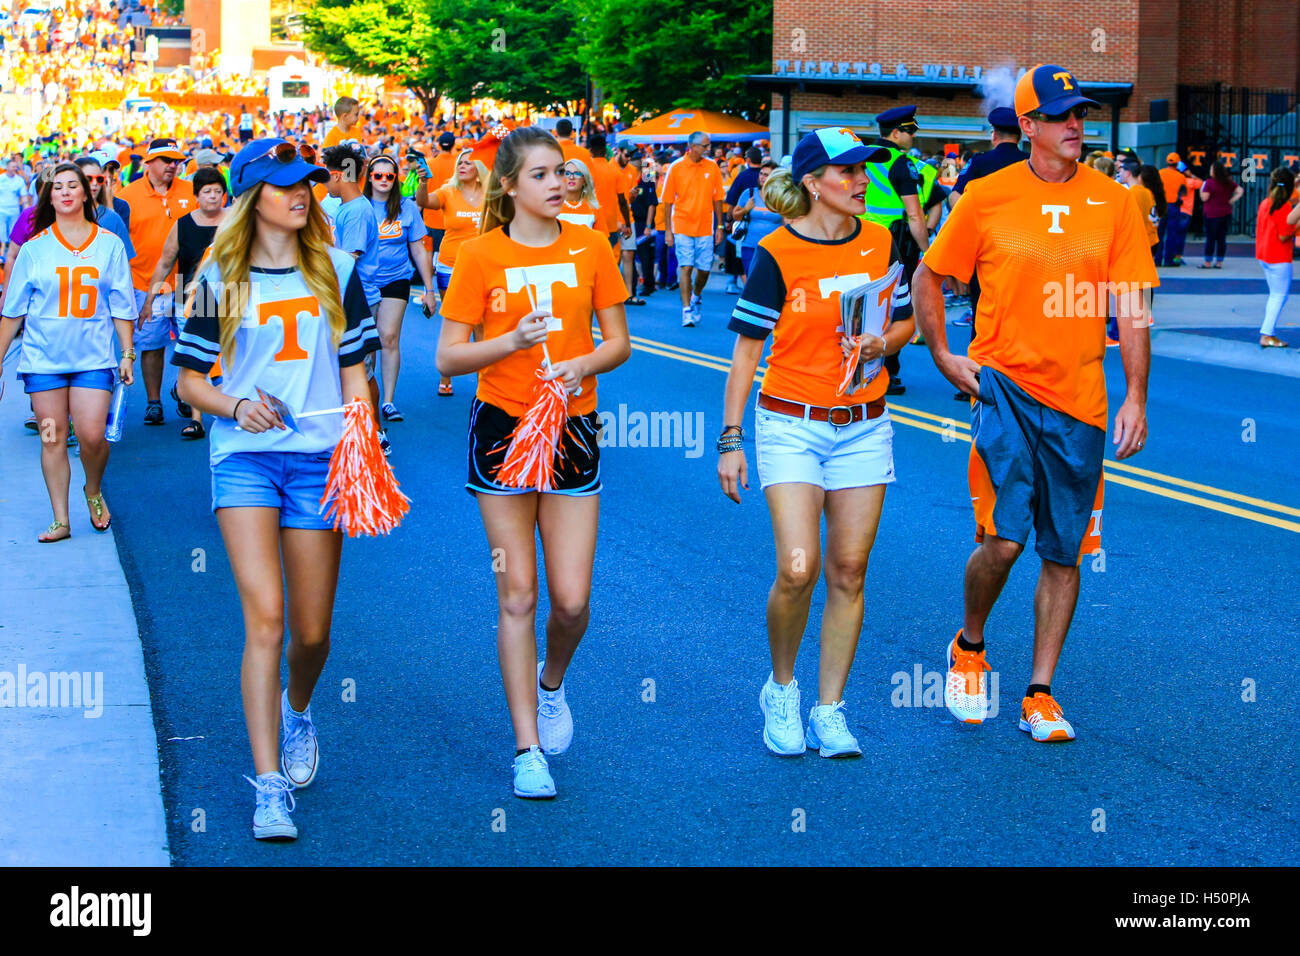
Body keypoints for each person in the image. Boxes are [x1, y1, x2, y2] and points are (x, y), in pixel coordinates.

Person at [912, 63, 1158, 742]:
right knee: (1004, 540)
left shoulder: (1114, 203)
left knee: (1064, 551)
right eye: (1058, 115)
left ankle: (1040, 693)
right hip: (1006, 390)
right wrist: (940, 353)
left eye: (1078, 112)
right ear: (1027, 127)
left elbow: (1133, 305)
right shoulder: (986, 197)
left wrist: (1135, 394)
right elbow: (930, 275)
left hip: (1082, 402)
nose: (1074, 123)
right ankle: (969, 646)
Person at [172, 138, 380, 841]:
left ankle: (299, 707)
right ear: (252, 194)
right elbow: (188, 382)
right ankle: (267, 787)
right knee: (265, 618)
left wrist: (363, 440)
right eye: (287, 184)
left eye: (308, 184)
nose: (304, 194)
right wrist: (236, 407)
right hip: (246, 460)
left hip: (321, 461)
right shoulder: (217, 280)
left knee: (312, 632)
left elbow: (356, 373)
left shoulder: (339, 270)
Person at [434, 126, 631, 799]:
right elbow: (449, 357)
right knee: (517, 593)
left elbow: (619, 342)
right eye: (543, 174)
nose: (558, 184)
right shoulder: (480, 255)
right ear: (511, 185)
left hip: (572, 427)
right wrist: (509, 341)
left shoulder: (592, 245)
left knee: (571, 601)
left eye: (563, 173)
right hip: (503, 428)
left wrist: (581, 364)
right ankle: (526, 749)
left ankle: (552, 684)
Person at [718, 127, 912, 758]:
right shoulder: (776, 252)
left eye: (866, 169)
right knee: (797, 569)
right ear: (812, 183)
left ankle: (830, 708)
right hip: (791, 423)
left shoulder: (880, 240)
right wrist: (730, 437)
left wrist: (884, 344)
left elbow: (903, 317)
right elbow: (748, 349)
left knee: (849, 571)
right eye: (849, 171)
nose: (863, 181)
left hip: (863, 423)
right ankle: (781, 687)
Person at [0, 162, 136, 541]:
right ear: (49, 196)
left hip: (93, 359)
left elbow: (121, 303)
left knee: (93, 436)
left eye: (71, 185)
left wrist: (127, 352)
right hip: (43, 363)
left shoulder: (108, 244)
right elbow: (12, 312)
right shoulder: (34, 250)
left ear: (85, 193)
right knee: (51, 436)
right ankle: (61, 519)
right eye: (56, 186)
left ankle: (93, 489)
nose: (64, 192)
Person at [140, 166, 229, 439]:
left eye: (217, 191)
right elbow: (166, 262)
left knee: (230, 356)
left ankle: (232, 409)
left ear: (225, 194)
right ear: (196, 196)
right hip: (191, 299)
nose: (213, 197)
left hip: (231, 294)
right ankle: (196, 418)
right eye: (207, 192)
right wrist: (149, 300)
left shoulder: (234, 223)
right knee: (194, 357)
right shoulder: (183, 224)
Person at [118, 137, 197, 425]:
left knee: (191, 343)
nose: (173, 165)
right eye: (166, 160)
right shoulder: (127, 196)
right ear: (149, 163)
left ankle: (183, 390)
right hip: (145, 282)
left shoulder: (191, 190)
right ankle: (154, 402)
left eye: (176, 160)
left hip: (188, 282)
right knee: (152, 345)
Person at [321, 143, 389, 452]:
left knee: (361, 368)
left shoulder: (358, 211)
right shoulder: (347, 208)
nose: (323, 183)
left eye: (325, 177)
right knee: (350, 366)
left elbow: (349, 258)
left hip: (359, 296)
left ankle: (375, 431)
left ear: (337, 175)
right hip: (348, 295)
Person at [862, 106, 929, 396]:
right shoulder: (902, 163)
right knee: (893, 309)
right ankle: (888, 370)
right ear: (895, 133)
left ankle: (859, 364)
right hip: (893, 245)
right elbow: (915, 215)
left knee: (861, 306)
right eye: (910, 131)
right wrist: (927, 250)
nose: (913, 136)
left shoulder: (861, 155)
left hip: (857, 240)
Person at [365, 153, 436, 421]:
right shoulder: (360, 206)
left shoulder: (406, 208)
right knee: (367, 342)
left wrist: (429, 289)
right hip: (365, 281)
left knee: (389, 337)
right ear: (369, 178)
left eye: (389, 176)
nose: (383, 180)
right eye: (378, 175)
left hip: (396, 279)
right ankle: (367, 397)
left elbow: (418, 249)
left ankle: (389, 400)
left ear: (396, 179)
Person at [417, 147, 486, 397]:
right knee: (455, 320)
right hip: (450, 264)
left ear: (480, 169)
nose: (463, 165)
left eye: (469, 162)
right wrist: (423, 182)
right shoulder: (448, 191)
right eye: (460, 162)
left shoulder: (491, 194)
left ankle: (485, 381)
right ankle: (446, 375)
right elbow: (424, 202)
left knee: (481, 323)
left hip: (483, 267)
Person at [662, 130, 725, 327]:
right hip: (682, 225)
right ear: (693, 146)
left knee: (704, 270)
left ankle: (696, 296)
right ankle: (686, 309)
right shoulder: (676, 167)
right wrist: (668, 230)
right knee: (686, 267)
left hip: (706, 227)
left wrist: (720, 226)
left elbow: (718, 198)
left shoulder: (712, 167)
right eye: (706, 146)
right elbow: (667, 201)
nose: (709, 149)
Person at [1254, 166, 1300, 348]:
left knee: (1274, 295)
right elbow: (1284, 235)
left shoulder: (1266, 203)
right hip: (1279, 257)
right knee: (1278, 296)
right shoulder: (1284, 206)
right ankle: (1267, 334)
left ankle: (1267, 333)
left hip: (1264, 255)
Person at [731, 158, 782, 276]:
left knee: (769, 281)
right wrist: (746, 209)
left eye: (767, 175)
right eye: (761, 174)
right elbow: (735, 216)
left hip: (773, 248)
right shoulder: (749, 193)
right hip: (750, 245)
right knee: (751, 279)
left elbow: (787, 221)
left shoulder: (780, 196)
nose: (762, 177)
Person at [1199, 161, 1242, 268]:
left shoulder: (1209, 182)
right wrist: (1232, 200)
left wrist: (1201, 189)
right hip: (1225, 212)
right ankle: (1219, 262)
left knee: (1211, 238)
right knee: (1221, 238)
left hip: (1211, 214)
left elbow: (1205, 197)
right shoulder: (1228, 182)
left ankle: (1207, 262)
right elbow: (1240, 190)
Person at [1157, 152, 1190, 266]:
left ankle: (1157, 259)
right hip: (1173, 207)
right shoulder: (1181, 177)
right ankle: (1168, 260)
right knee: (1172, 234)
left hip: (1161, 206)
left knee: (1159, 234)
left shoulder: (1160, 173)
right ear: (1177, 164)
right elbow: (1184, 192)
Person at [557, 158, 600, 228]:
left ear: (584, 180)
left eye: (577, 173)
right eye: (567, 173)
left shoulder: (594, 207)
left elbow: (601, 238)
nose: (571, 177)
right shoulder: (553, 205)